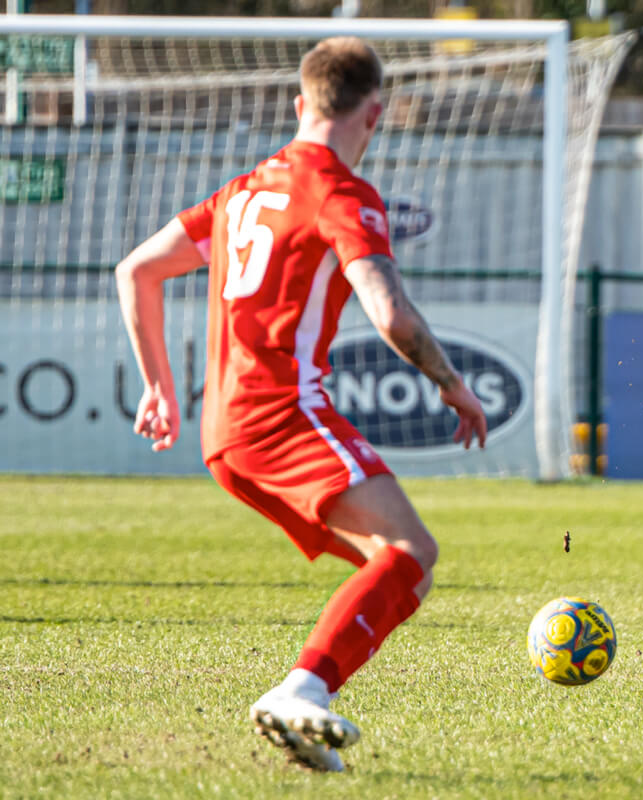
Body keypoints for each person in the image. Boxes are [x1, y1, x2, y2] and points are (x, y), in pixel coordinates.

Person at [115, 37, 488, 771]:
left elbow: (136, 270)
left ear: (301, 104)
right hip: (282, 415)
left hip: (223, 433)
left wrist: (159, 384)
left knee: (393, 565)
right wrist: (451, 382)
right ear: (374, 114)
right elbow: (393, 316)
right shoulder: (343, 194)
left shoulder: (242, 191)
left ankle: (303, 708)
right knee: (413, 552)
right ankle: (300, 690)